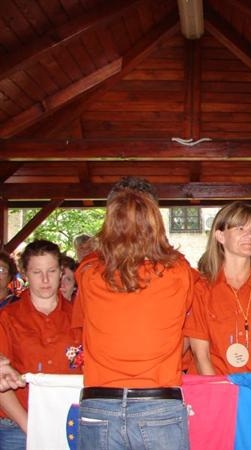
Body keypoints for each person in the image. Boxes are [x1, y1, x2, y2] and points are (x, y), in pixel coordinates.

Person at [72, 177, 196, 450]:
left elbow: (97, 259)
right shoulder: (178, 273)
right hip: (158, 404)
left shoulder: (88, 274)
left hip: (100, 403)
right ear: (156, 223)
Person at [184, 202, 251, 376]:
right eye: (240, 228)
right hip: (213, 385)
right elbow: (201, 356)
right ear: (220, 236)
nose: (250, 235)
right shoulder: (201, 288)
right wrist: (219, 391)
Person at [0, 239, 82, 449]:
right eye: (37, 272)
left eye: (51, 271)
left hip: (70, 425)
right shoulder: (7, 318)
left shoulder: (80, 317)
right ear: (24, 274)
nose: (45, 279)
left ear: (61, 272)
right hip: (18, 426)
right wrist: (30, 426)